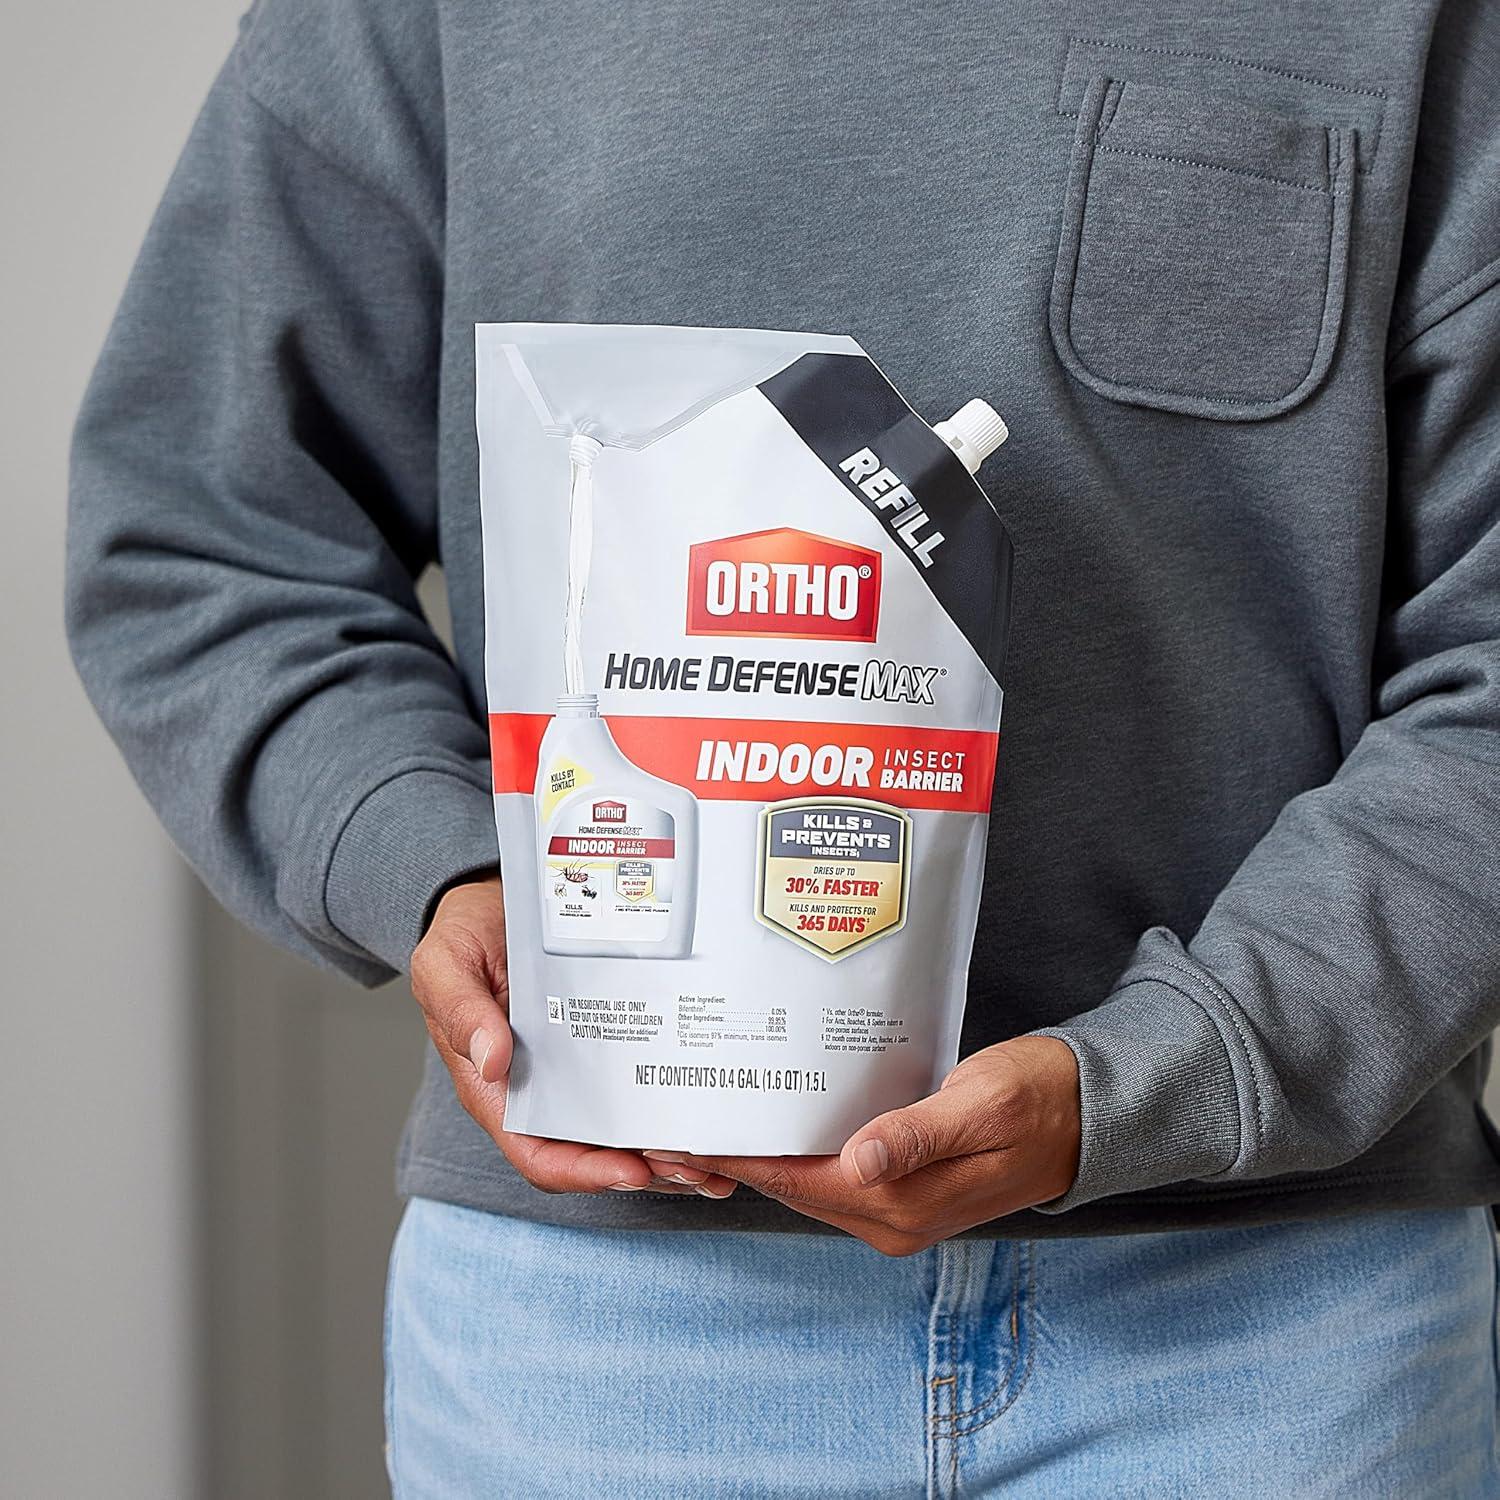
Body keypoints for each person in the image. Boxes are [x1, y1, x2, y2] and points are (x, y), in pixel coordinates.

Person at [68, 0, 1500, 1493]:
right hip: (604, 1339)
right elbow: (202, 538)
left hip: (1274, 1334)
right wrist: (434, 868)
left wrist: (1184, 1067)